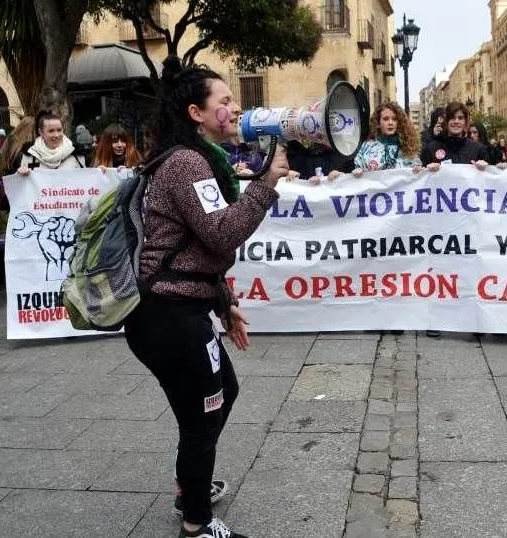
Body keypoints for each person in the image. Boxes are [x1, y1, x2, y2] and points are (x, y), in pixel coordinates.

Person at [123, 57, 287, 538]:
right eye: (226, 101)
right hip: (169, 317)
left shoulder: (190, 158)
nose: (236, 108)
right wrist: (268, 181)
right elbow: (220, 235)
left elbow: (195, 250)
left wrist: (222, 301)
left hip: (175, 311)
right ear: (197, 113)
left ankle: (187, 487)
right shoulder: (189, 162)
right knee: (201, 416)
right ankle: (196, 523)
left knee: (217, 396)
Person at [352, 101, 422, 175]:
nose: (390, 122)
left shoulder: (408, 147)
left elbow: (418, 174)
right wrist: (357, 172)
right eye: (386, 119)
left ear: (399, 123)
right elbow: (357, 167)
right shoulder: (367, 147)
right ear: (378, 123)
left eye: (394, 119)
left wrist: (426, 171)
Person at [419, 102, 488, 171]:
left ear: (465, 122)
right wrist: (423, 169)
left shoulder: (478, 149)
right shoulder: (431, 149)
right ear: (446, 121)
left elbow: (491, 177)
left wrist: (488, 168)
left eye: (460, 118)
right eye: (452, 117)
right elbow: (420, 177)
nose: (456, 121)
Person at [16, 110, 86, 174]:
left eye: (59, 130)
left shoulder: (76, 154)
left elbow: (85, 181)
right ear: (41, 132)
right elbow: (22, 185)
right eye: (51, 131)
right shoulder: (30, 154)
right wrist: (20, 174)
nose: (56, 135)